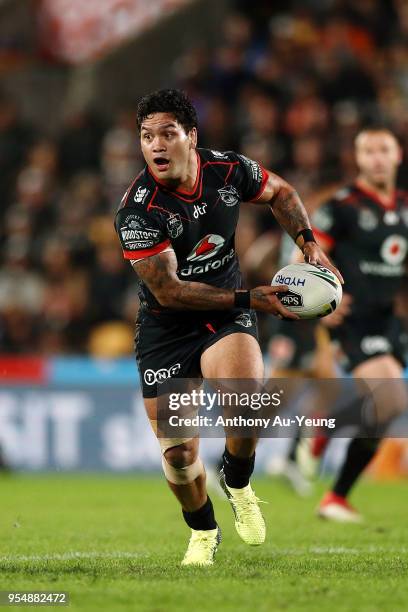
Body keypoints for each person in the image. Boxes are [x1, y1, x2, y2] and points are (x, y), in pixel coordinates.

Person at [114, 89, 340, 566]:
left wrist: (308, 244)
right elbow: (169, 292)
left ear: (190, 137)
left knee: (246, 398)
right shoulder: (138, 208)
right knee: (177, 454)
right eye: (146, 136)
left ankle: (237, 480)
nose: (155, 145)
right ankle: (203, 531)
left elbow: (281, 192)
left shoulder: (227, 170)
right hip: (167, 327)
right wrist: (251, 298)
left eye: (167, 134)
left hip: (225, 315)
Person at [309, 126, 408, 522]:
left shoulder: (403, 207)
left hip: (388, 320)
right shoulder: (342, 206)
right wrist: (321, 304)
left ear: (398, 155)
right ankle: (325, 435)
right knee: (392, 400)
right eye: (368, 151)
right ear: (358, 159)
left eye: (384, 149)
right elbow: (308, 257)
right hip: (352, 318)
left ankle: (336, 496)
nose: (377, 158)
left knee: (384, 411)